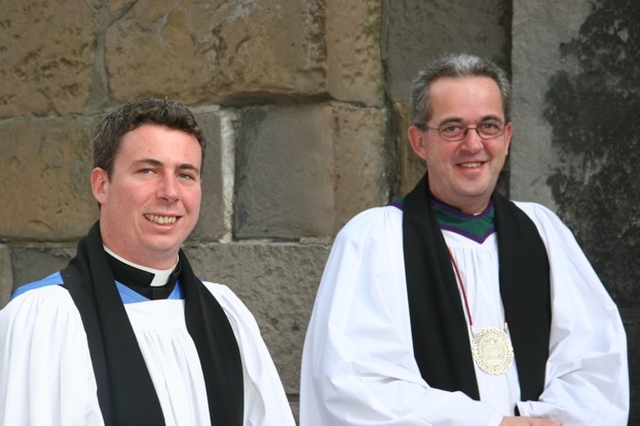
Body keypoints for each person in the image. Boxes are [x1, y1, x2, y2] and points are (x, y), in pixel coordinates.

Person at [300, 54, 629, 425]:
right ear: (419, 141)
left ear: (506, 137)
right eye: (452, 128)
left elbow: (595, 360)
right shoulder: (372, 240)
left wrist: (551, 420)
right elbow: (353, 382)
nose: (473, 145)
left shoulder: (543, 231)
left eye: (488, 125)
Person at [0, 98, 295, 426]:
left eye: (185, 174)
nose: (170, 192)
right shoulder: (46, 318)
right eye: (148, 170)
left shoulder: (225, 314)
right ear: (102, 185)